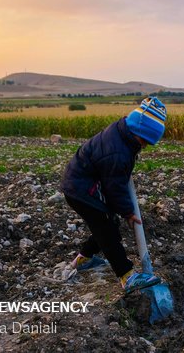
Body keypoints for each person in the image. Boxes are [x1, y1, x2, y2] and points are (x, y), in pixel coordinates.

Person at [61, 97, 167, 294]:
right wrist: (127, 212)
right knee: (107, 232)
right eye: (145, 142)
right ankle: (126, 276)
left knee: (106, 226)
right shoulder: (118, 153)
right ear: (139, 132)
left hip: (83, 185)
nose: (144, 146)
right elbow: (115, 187)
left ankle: (83, 260)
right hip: (82, 191)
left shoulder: (122, 133)